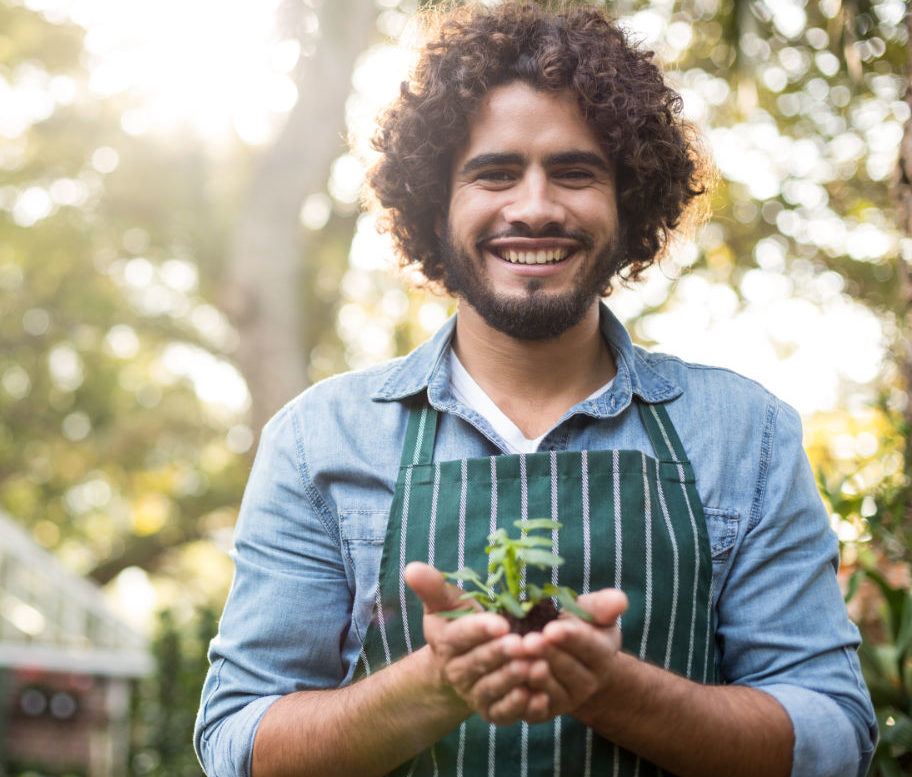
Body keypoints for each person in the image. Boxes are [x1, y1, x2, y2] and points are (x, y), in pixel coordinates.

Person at [194, 4, 876, 777]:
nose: (535, 207)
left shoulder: (745, 432)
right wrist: (432, 684)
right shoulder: (319, 438)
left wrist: (614, 690)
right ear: (435, 202)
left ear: (629, 199)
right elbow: (238, 744)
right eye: (494, 172)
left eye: (575, 171)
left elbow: (834, 735)